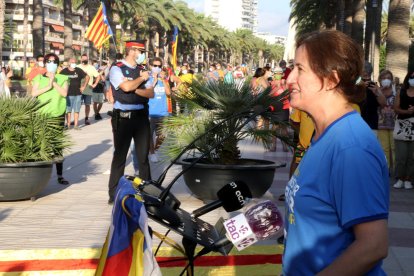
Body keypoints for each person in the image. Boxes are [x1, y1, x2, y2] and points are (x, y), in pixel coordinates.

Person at [283, 30, 389, 275]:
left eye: (300, 69)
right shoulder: (323, 135)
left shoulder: (351, 148)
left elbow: (373, 245)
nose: (289, 79)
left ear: (331, 79)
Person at [107, 40, 154, 204]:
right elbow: (124, 88)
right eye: (141, 51)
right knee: (119, 157)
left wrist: (134, 86)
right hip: (123, 117)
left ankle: (147, 193)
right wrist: (140, 81)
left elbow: (150, 94)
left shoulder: (143, 70)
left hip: (141, 116)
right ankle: (113, 194)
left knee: (143, 157)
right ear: (132, 51)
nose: (143, 55)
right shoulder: (117, 68)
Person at [31, 53, 70, 185]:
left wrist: (53, 82)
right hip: (42, 115)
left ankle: (60, 175)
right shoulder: (38, 78)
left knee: (57, 145)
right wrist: (48, 85)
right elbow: (34, 93)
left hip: (58, 114)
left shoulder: (63, 77)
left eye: (54, 61)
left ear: (58, 64)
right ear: (45, 63)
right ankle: (41, 175)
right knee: (42, 144)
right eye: (49, 61)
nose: (51, 63)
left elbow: (64, 93)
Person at [392, 71, 414, 189]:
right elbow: (396, 108)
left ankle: (408, 179)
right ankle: (400, 178)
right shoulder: (401, 92)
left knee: (411, 156)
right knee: (401, 156)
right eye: (412, 77)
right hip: (401, 126)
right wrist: (407, 112)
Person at [147, 58, 171, 162]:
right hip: (150, 113)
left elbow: (169, 93)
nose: (157, 68)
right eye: (155, 65)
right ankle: (152, 153)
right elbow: (147, 92)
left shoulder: (163, 79)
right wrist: (154, 81)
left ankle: (154, 150)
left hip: (163, 112)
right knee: (149, 135)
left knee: (163, 135)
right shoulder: (147, 78)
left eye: (159, 66)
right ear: (150, 66)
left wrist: (163, 80)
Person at [60, 57, 89, 129]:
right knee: (68, 110)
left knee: (77, 110)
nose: (73, 64)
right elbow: (59, 79)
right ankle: (68, 125)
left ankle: (76, 125)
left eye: (74, 62)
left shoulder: (78, 70)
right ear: (69, 63)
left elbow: (87, 77)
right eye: (72, 62)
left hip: (78, 93)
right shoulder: (64, 71)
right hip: (68, 94)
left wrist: (83, 87)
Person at [377, 69, 397, 172]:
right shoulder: (377, 91)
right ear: (380, 80)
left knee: (394, 148)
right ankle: (387, 168)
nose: (386, 80)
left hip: (394, 124)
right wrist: (379, 92)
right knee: (384, 147)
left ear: (392, 80)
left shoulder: (396, 91)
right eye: (384, 78)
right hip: (382, 123)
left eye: (388, 78)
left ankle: (397, 170)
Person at [360, 61, 387, 134]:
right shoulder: (356, 86)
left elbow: (384, 104)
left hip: (371, 124)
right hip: (357, 123)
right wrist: (360, 88)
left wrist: (377, 93)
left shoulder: (374, 86)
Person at [77, 54, 100, 125]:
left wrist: (95, 84)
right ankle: (76, 120)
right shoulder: (77, 67)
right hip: (79, 87)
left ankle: (86, 118)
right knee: (78, 105)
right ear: (81, 59)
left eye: (86, 59)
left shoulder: (91, 67)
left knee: (87, 104)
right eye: (83, 59)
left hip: (88, 88)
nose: (84, 60)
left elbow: (98, 76)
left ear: (88, 60)